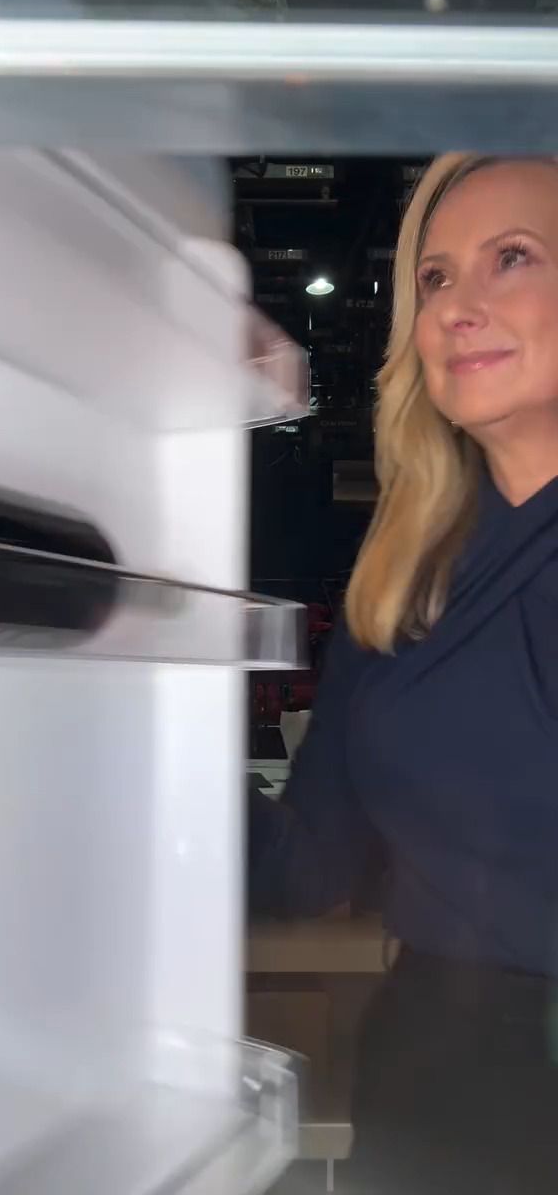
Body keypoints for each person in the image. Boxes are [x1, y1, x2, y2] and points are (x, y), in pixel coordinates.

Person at [249, 153, 558, 1195]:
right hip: (432, 1076)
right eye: (434, 277)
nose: (457, 308)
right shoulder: (400, 574)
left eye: (512, 258)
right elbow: (308, 863)